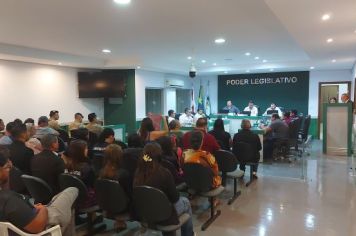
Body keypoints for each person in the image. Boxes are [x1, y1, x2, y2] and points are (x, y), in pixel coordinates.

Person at [0, 153, 78, 236]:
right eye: (7, 168)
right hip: (44, 225)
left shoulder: (8, 199)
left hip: (29, 214)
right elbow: (37, 227)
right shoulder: (8, 200)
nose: (9, 171)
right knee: (72, 190)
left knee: (60, 199)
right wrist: (43, 209)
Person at [133, 143, 194, 236]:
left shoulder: (138, 172)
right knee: (185, 201)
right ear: (159, 156)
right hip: (165, 215)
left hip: (145, 213)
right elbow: (175, 198)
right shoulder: (164, 173)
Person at [62, 139, 96, 208]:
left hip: (70, 198)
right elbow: (93, 185)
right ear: (80, 152)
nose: (87, 150)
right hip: (85, 200)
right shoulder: (87, 168)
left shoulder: (65, 166)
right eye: (86, 148)